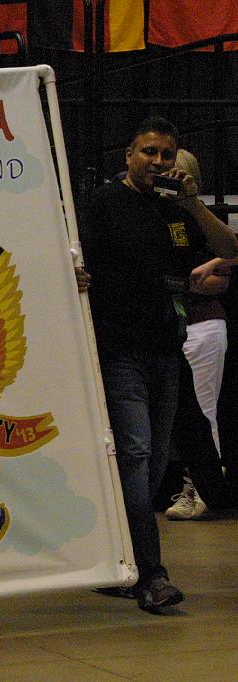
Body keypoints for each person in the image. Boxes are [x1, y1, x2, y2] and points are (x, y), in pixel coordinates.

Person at [81, 116, 238, 613]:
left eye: (166, 155)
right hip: (118, 348)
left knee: (147, 470)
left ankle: (119, 560)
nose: (158, 162)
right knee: (136, 452)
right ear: (128, 154)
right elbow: (70, 257)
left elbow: (227, 253)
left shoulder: (175, 211)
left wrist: (194, 205)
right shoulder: (102, 204)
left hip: (168, 349)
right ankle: (152, 574)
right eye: (148, 152)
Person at [158, 150, 235, 520]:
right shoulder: (149, 214)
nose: (166, 174)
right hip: (167, 328)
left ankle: (201, 490)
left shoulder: (201, 220)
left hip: (201, 325)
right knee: (167, 417)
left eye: (177, 172)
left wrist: (196, 277)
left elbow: (220, 278)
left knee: (202, 413)